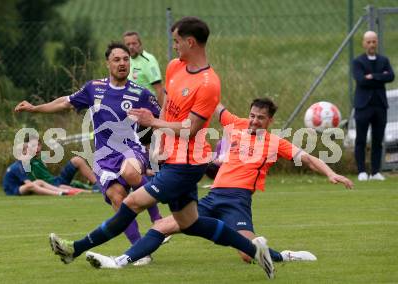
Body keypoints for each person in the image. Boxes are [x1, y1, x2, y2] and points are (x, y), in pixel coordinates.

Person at [47, 17, 277, 279]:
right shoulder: (174, 67)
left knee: (131, 202)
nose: (174, 46)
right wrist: (158, 144)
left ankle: (75, 250)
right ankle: (255, 250)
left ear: (190, 42)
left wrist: (152, 122)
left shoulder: (208, 83)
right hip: (171, 158)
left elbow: (191, 128)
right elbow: (169, 109)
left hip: (188, 163)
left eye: (177, 41)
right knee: (189, 223)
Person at [84, 98, 353, 269]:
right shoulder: (235, 125)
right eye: (252, 115)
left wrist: (330, 173)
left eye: (260, 117)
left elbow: (306, 158)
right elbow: (213, 101)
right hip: (213, 196)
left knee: (249, 255)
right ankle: (122, 261)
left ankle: (285, 256)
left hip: (238, 200)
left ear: (270, 121)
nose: (254, 121)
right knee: (162, 226)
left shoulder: (275, 142)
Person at [14, 42, 165, 263]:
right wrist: (36, 108)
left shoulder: (140, 93)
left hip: (130, 148)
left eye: (125, 59)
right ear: (108, 63)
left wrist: (167, 139)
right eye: (117, 59)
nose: (122, 63)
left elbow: (161, 119)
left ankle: (158, 219)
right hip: (104, 157)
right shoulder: (94, 88)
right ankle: (141, 252)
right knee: (117, 198)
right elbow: (65, 102)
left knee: (132, 173)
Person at [352, 31, 395, 181]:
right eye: (368, 42)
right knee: (361, 140)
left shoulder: (384, 60)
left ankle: (376, 171)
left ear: (377, 43)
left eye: (374, 41)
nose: (371, 44)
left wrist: (373, 76)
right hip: (363, 106)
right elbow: (361, 80)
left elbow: (390, 76)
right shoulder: (357, 62)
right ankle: (362, 171)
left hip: (380, 105)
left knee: (378, 140)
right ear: (364, 43)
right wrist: (380, 77)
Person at [3, 143, 87, 196]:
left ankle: (64, 191)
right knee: (31, 185)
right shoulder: (18, 166)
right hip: (12, 191)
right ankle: (59, 193)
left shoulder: (23, 164)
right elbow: (28, 183)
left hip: (18, 188)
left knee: (39, 182)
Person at [26, 136, 100, 191]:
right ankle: (95, 189)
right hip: (51, 186)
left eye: (38, 145)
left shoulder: (40, 158)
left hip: (56, 180)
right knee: (66, 186)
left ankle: (98, 185)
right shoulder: (26, 160)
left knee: (77, 161)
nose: (37, 148)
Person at [123, 31, 164, 106]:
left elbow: (159, 89)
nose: (131, 47)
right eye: (128, 44)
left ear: (140, 44)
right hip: (130, 105)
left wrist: (162, 113)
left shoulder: (148, 60)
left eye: (134, 43)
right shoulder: (125, 60)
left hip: (147, 107)